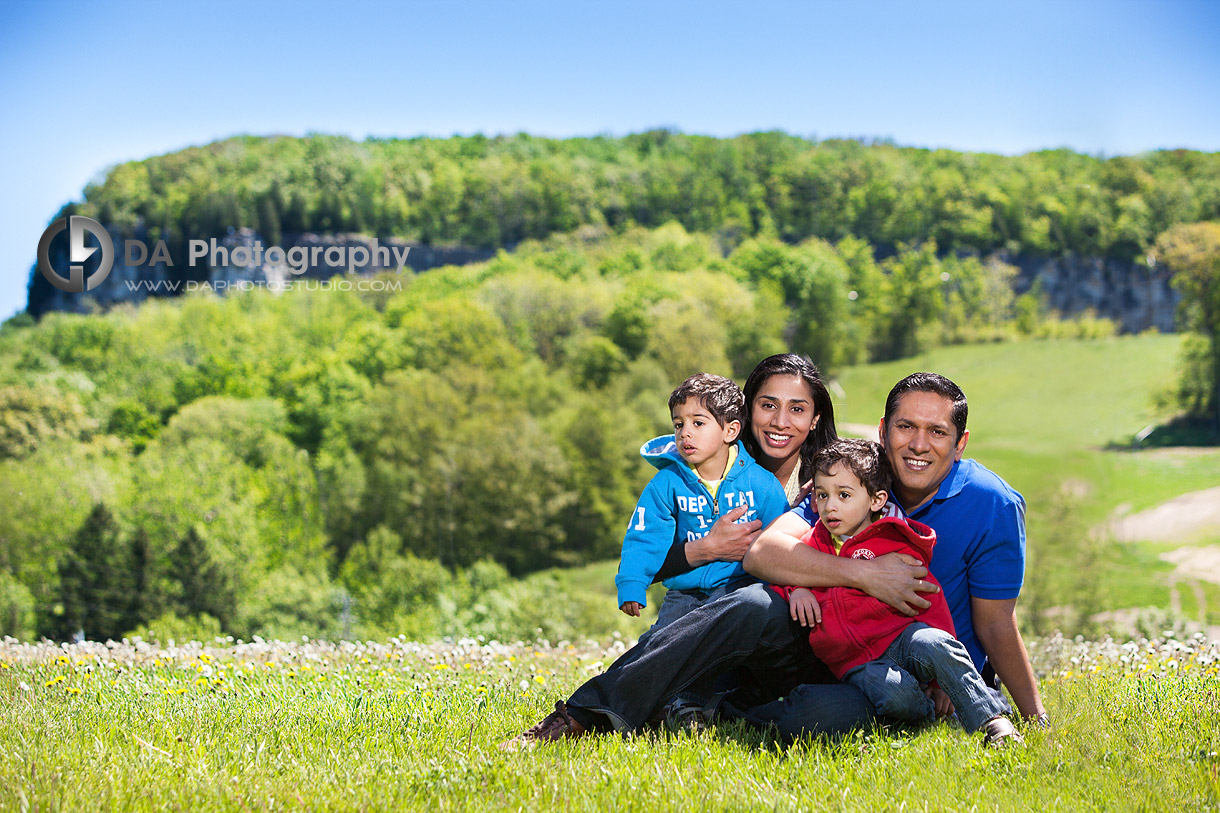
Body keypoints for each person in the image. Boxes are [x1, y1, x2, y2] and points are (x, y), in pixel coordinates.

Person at [503, 371, 1044, 748]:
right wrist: (862, 574)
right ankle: (584, 714)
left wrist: (1032, 715)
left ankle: (711, 714)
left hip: (904, 677)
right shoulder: (848, 480)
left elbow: (996, 623)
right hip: (833, 650)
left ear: (961, 441)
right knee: (753, 603)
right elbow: (765, 551)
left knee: (825, 717)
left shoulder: (992, 505)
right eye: (906, 427)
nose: (918, 444)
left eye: (937, 432)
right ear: (883, 431)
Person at [777, 438, 1021, 745]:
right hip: (857, 663)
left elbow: (931, 602)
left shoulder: (894, 543)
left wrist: (940, 680)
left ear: (876, 500)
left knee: (937, 644)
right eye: (822, 496)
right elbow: (784, 569)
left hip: (903, 638)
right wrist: (796, 589)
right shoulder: (813, 544)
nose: (830, 506)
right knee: (897, 696)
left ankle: (992, 721)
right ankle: (930, 716)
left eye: (843, 495)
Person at [615, 373, 788, 629]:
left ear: (730, 430)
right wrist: (632, 583)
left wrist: (795, 588)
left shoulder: (761, 483)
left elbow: (784, 540)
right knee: (662, 650)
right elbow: (644, 536)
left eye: (698, 423)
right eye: (678, 425)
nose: (685, 433)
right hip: (683, 595)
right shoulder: (667, 483)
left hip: (739, 589)